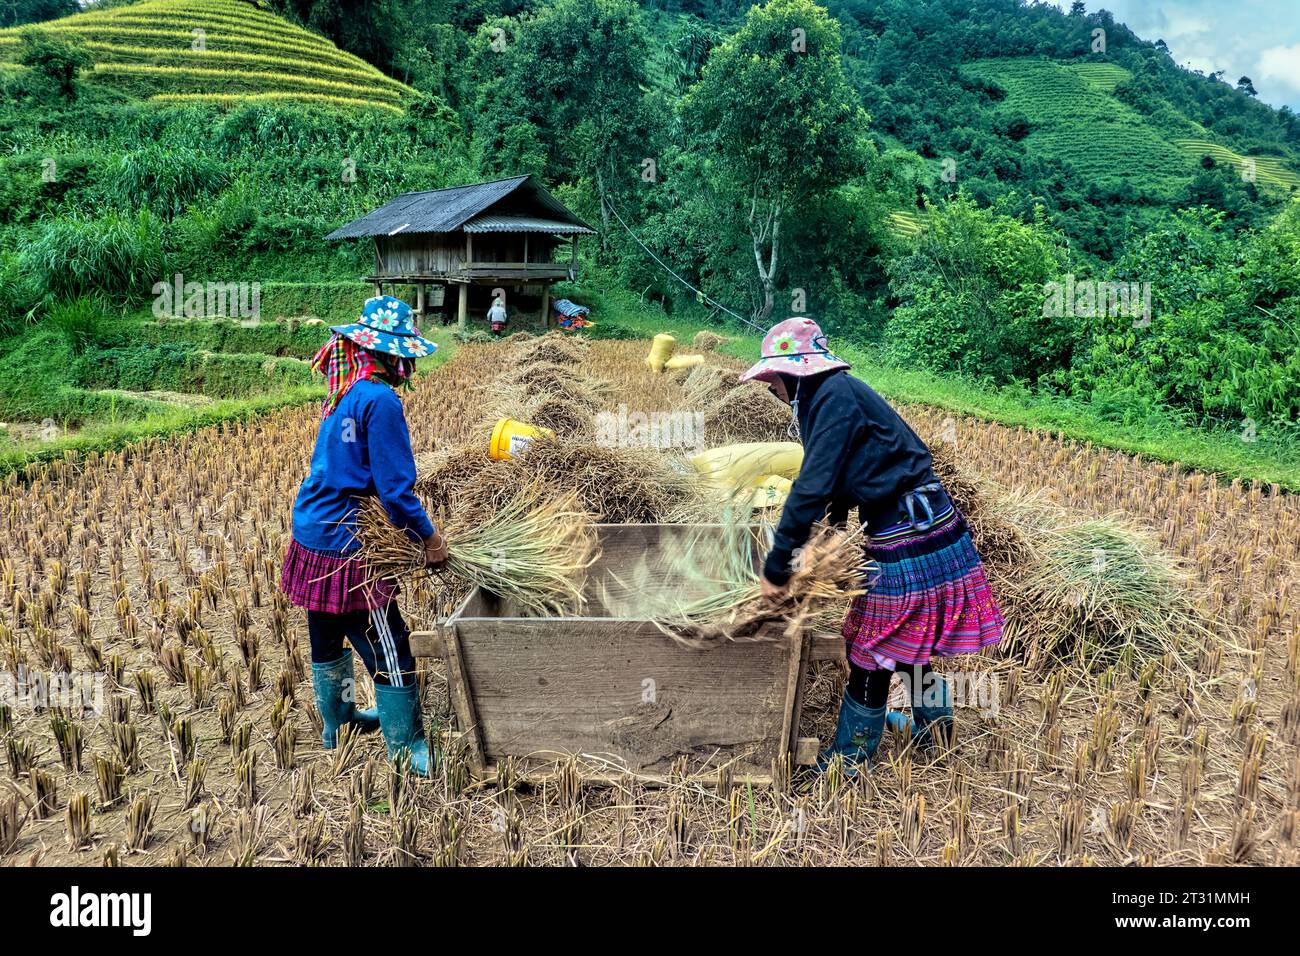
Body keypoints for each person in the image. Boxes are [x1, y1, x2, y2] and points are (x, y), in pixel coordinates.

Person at [740, 317, 1004, 770]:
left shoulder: (832, 398)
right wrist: (832, 534)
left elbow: (812, 486)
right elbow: (844, 477)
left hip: (912, 533)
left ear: (794, 372)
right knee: (907, 639)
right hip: (923, 524)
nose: (771, 390)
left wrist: (777, 566)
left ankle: (851, 757)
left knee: (872, 646)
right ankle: (935, 730)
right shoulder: (832, 396)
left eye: (772, 380)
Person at [281, 295, 446, 776]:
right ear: (393, 355)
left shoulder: (346, 392)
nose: (411, 363)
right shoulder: (380, 400)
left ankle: (340, 724)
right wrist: (430, 539)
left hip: (313, 527)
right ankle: (407, 743)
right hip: (347, 542)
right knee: (388, 641)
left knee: (326, 634)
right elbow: (396, 491)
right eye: (408, 355)